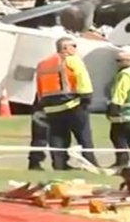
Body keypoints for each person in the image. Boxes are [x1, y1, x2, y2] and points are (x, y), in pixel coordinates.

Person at [34, 36, 97, 170]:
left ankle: (59, 164)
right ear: (65, 48)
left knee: (57, 136)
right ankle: (90, 163)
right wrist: (87, 97)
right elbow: (82, 78)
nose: (75, 49)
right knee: (84, 136)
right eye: (73, 46)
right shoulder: (72, 60)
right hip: (73, 104)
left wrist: (42, 102)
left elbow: (39, 85)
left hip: (51, 107)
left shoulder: (43, 63)